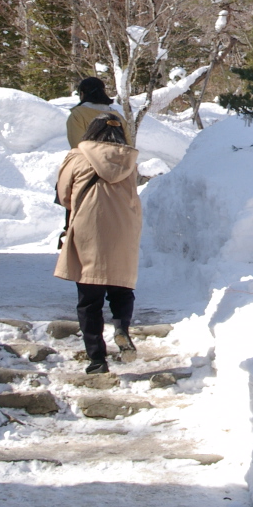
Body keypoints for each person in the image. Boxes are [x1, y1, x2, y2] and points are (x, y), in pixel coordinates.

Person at [54, 113, 141, 373]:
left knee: (89, 298)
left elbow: (64, 195)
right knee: (121, 287)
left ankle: (97, 360)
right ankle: (122, 327)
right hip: (124, 228)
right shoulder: (129, 159)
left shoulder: (77, 156)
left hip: (89, 226)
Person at [67, 76, 127, 148]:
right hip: (119, 158)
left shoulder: (78, 115)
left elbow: (77, 146)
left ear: (82, 94)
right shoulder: (118, 116)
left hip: (90, 158)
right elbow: (129, 145)